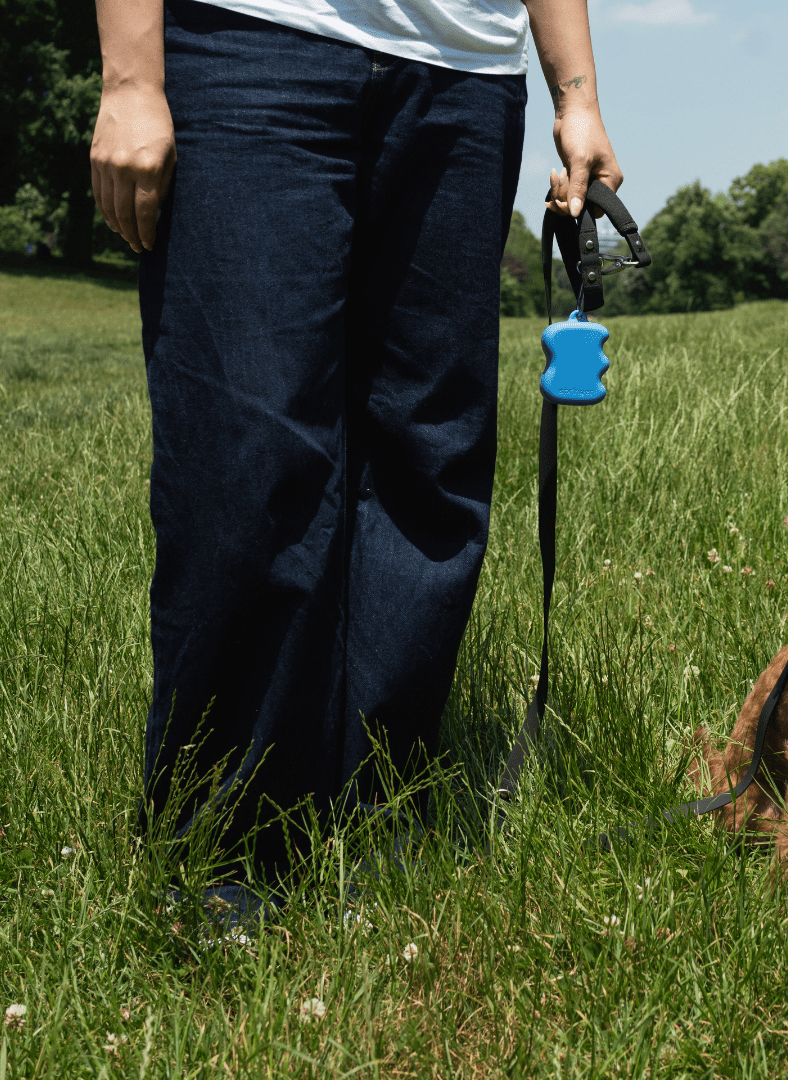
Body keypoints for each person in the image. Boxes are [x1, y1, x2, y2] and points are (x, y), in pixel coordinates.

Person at [90, 0, 622, 878]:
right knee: (250, 457)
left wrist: (579, 98)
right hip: (249, 45)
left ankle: (382, 816)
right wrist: (132, 78)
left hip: (467, 75)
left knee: (430, 455)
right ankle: (225, 850)